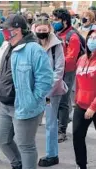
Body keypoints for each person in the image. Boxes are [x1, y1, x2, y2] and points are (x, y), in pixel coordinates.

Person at [0, 14, 53, 169]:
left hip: (24, 106)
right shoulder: (7, 46)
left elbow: (45, 81)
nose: (4, 34)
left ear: (17, 30)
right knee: (0, 137)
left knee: (26, 145)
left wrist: (32, 100)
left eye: (7, 31)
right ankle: (18, 164)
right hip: (4, 104)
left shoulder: (34, 50)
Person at [34, 18, 68, 167]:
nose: (41, 33)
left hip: (51, 92)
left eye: (44, 30)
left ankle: (52, 154)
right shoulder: (33, 45)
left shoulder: (56, 46)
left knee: (50, 123)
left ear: (49, 29)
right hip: (36, 90)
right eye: (39, 30)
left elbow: (59, 71)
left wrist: (46, 91)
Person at [52, 8, 81, 143]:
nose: (54, 22)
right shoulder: (56, 33)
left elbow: (71, 58)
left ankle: (61, 131)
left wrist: (58, 64)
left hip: (67, 72)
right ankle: (57, 124)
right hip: (56, 71)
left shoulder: (72, 36)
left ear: (64, 20)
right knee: (55, 100)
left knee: (63, 101)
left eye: (57, 19)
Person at [73, 29, 96, 169]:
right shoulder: (81, 59)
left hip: (93, 106)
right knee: (77, 136)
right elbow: (78, 83)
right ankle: (81, 165)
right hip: (81, 105)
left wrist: (93, 107)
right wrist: (77, 100)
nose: (92, 40)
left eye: (95, 38)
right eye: (90, 37)